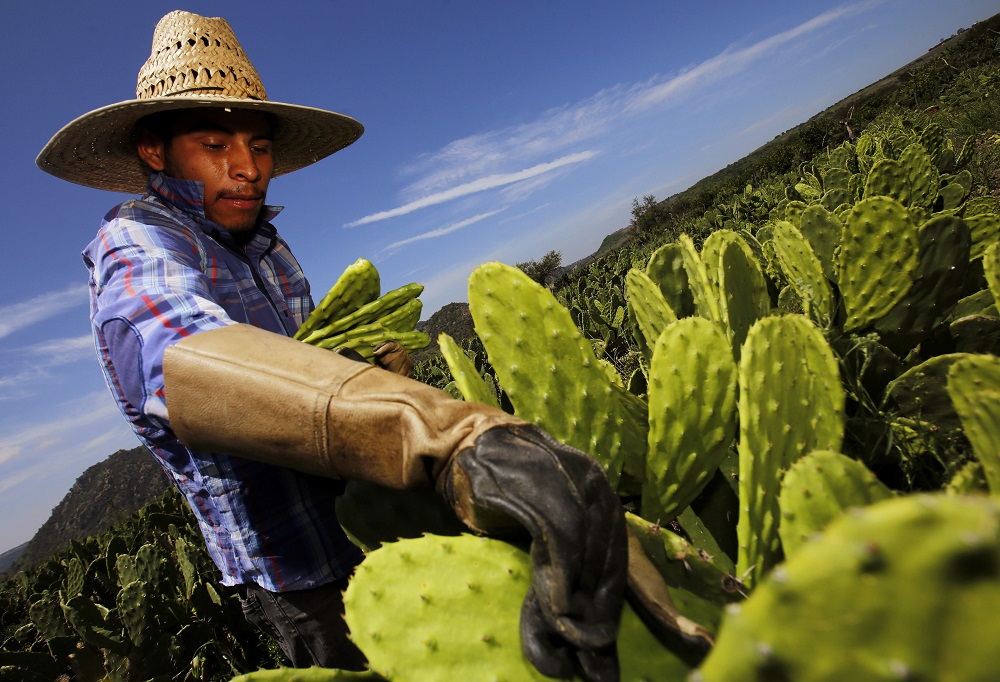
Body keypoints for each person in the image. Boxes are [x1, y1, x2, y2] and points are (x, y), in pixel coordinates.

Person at [37, 11, 685, 682]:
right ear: (154, 150)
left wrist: (368, 377)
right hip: (298, 572)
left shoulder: (267, 248)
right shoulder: (139, 244)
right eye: (214, 143)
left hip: (370, 528)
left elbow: (306, 369)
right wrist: (443, 435)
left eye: (259, 147)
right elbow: (174, 357)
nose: (247, 168)